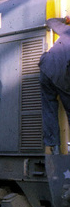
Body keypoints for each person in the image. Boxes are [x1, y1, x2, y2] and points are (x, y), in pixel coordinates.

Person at [40, 16, 70, 154]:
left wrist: (65, 19)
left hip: (46, 68)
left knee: (49, 109)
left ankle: (55, 149)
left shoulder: (66, 30)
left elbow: (50, 21)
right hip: (63, 74)